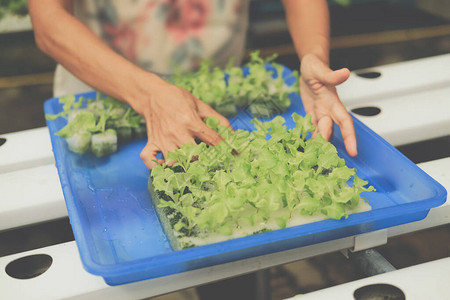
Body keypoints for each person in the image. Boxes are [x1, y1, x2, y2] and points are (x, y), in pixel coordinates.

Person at [28, 0, 357, 170]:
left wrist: (313, 52)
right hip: (100, 90)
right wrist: (148, 94)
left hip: (217, 91)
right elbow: (49, 20)